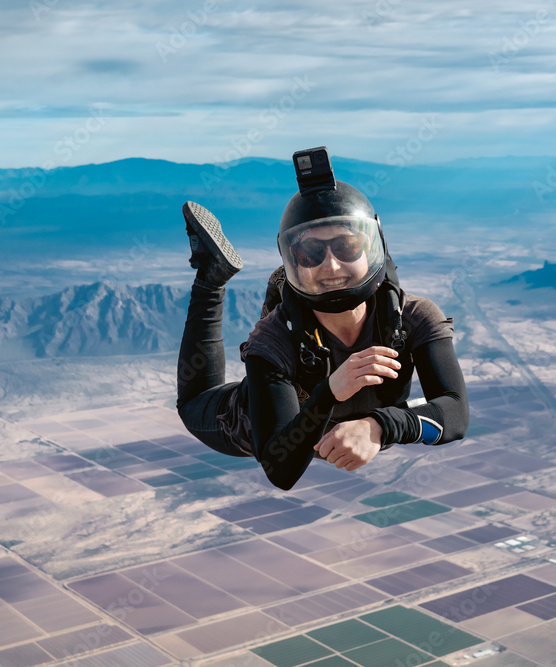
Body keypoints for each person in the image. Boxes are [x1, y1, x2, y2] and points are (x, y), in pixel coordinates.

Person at [176, 147, 468, 490]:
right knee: (194, 404)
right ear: (292, 260)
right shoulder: (270, 342)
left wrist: (379, 425)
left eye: (346, 248)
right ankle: (211, 279)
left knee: (287, 334)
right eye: (310, 253)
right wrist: (329, 393)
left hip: (303, 356)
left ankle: (271, 290)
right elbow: (280, 469)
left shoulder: (412, 317)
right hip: (244, 420)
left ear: (373, 249)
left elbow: (455, 413)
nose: (330, 266)